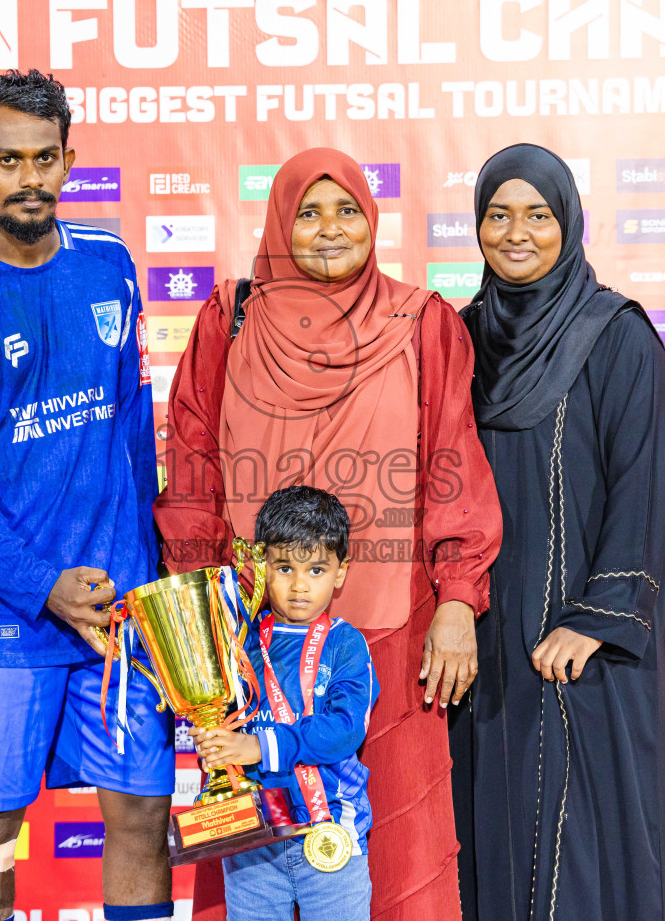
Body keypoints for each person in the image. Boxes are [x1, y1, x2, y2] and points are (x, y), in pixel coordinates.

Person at [155, 147, 502, 921]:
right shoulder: (229, 316)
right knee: (252, 847)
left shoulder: (421, 320)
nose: (328, 228)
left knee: (396, 852)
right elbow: (192, 465)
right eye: (307, 212)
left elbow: (453, 460)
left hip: (389, 629)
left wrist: (456, 599)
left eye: (345, 209)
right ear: (280, 221)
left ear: (371, 220)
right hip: (254, 633)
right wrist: (202, 625)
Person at [0, 69, 175, 921]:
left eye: (45, 158)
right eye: (7, 160)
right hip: (1, 610)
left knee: (140, 815)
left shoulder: (110, 265)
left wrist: (149, 574)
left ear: (69, 159)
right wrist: (43, 583)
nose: (31, 179)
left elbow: (130, 428)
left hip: (121, 604)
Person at [449, 143, 665, 921]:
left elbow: (641, 489)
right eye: (497, 214)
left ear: (569, 222)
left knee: (578, 840)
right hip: (477, 640)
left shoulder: (616, 336)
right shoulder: (457, 339)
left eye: (538, 214)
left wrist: (595, 620)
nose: (516, 232)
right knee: (483, 824)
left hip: (572, 644)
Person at [194, 485, 379, 921]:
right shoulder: (240, 640)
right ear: (261, 568)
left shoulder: (345, 644)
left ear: (340, 572)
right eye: (284, 568)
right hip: (253, 838)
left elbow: (344, 731)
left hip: (331, 831)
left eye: (316, 570)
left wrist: (260, 747)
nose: (299, 586)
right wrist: (217, 742)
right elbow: (223, 718)